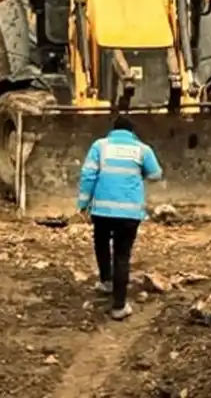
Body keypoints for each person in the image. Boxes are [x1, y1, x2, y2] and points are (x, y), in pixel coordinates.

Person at [76, 115, 163, 320]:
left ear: (113, 131)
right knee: (122, 255)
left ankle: (106, 281)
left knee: (101, 242)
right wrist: (139, 173)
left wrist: (83, 203)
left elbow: (88, 175)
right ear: (132, 133)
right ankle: (119, 306)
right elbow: (156, 174)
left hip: (102, 210)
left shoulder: (100, 146)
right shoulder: (142, 149)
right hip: (129, 213)